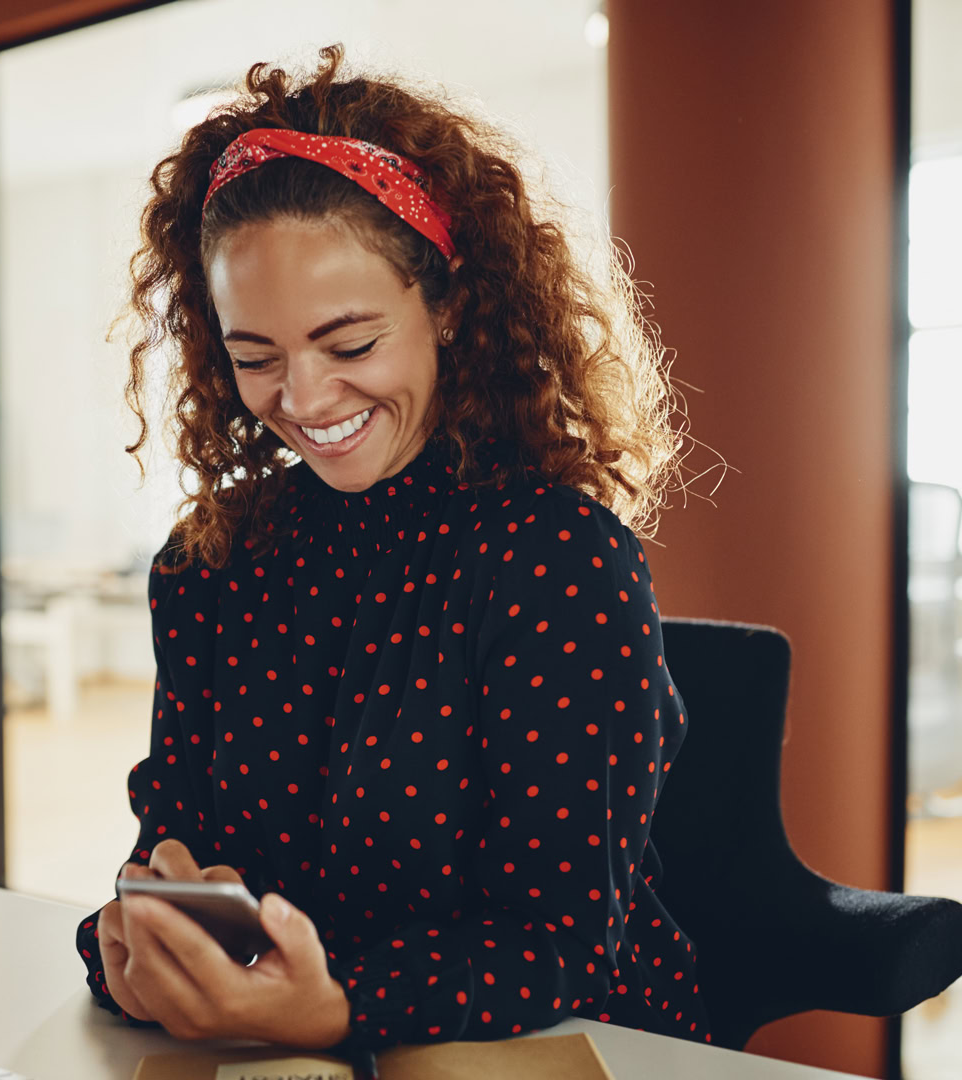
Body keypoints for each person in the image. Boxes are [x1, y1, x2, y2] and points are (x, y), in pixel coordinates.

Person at [74, 45, 707, 1055]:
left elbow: (557, 944)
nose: (304, 398)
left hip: (565, 1046)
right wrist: (144, 937)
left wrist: (337, 1007)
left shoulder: (558, 560)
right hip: (289, 1048)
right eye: (254, 357)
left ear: (448, 307)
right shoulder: (207, 564)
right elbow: (175, 851)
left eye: (350, 345)